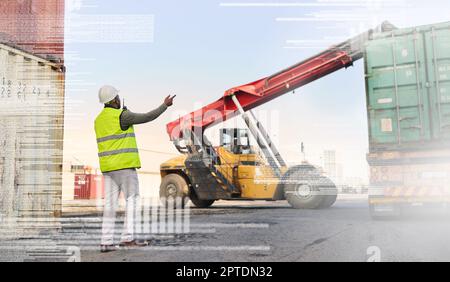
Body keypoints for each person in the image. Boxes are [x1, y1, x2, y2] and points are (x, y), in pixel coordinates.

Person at [94, 85, 175, 253]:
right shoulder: (122, 115)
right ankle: (127, 238)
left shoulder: (99, 120)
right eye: (117, 97)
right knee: (133, 200)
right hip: (124, 167)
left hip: (108, 168)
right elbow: (147, 117)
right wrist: (164, 106)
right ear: (114, 99)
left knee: (110, 205)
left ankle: (106, 242)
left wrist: (125, 114)